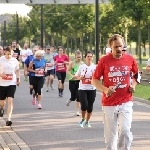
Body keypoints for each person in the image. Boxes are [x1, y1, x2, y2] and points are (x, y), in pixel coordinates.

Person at [91, 34, 140, 150]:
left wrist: (133, 85)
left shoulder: (129, 59)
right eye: (115, 47)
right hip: (109, 103)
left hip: (126, 101)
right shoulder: (104, 60)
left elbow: (137, 74)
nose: (118, 49)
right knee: (111, 135)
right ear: (110, 47)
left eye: (120, 46)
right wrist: (105, 89)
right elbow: (94, 80)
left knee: (125, 130)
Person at [73, 51, 96, 128]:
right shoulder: (82, 67)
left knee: (90, 106)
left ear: (92, 58)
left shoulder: (95, 67)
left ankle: (87, 121)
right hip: (82, 89)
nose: (89, 58)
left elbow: (100, 78)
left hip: (92, 89)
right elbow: (75, 76)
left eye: (90, 56)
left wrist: (95, 78)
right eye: (88, 56)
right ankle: (83, 119)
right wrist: (80, 78)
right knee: (84, 105)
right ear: (85, 57)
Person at [0, 46, 20, 126]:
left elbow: (17, 70)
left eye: (10, 55)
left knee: (10, 100)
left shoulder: (15, 61)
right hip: (2, 83)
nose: (9, 56)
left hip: (11, 82)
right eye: (7, 54)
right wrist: (1, 75)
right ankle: (1, 108)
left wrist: (18, 79)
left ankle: (8, 119)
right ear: (5, 52)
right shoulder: (1, 59)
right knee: (2, 102)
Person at [66, 50, 84, 116]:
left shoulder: (83, 64)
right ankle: (70, 99)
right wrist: (72, 76)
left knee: (78, 96)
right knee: (73, 96)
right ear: (75, 57)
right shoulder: (72, 63)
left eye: (80, 57)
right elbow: (67, 70)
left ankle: (77, 111)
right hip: (72, 81)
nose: (79, 58)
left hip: (79, 81)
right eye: (77, 57)